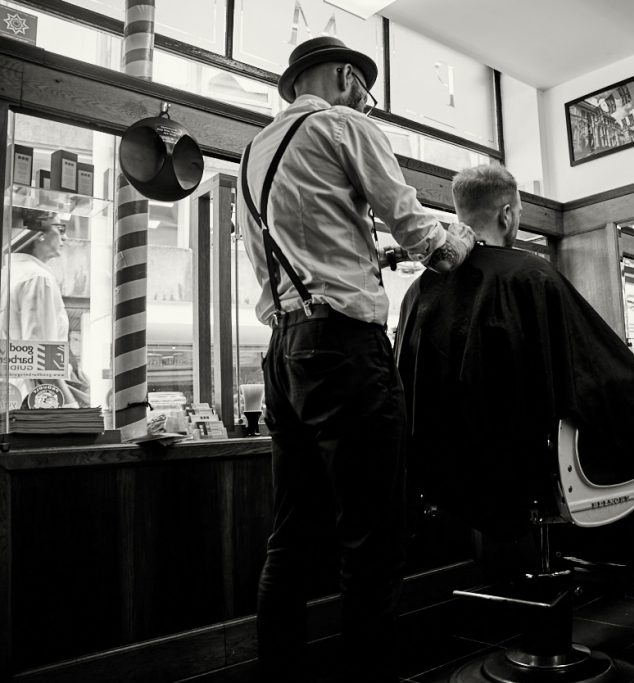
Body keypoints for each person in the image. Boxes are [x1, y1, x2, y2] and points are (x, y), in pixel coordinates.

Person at [236, 36, 476, 683]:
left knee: (289, 538)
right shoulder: (345, 124)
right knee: (373, 541)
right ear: (346, 78)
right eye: (364, 90)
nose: (366, 102)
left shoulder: (251, 154)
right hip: (343, 351)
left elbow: (288, 253)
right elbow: (423, 233)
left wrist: (366, 261)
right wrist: (461, 236)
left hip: (284, 353)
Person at [394, 165, 634, 543]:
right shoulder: (530, 276)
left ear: (459, 215)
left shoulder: (418, 292)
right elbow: (596, 372)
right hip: (521, 470)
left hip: (443, 477)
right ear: (508, 214)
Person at [2, 208, 88, 408]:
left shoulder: (9, 273)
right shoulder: (38, 278)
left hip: (14, 395)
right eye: (60, 228)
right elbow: (40, 358)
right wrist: (70, 408)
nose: (65, 237)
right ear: (39, 235)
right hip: (36, 398)